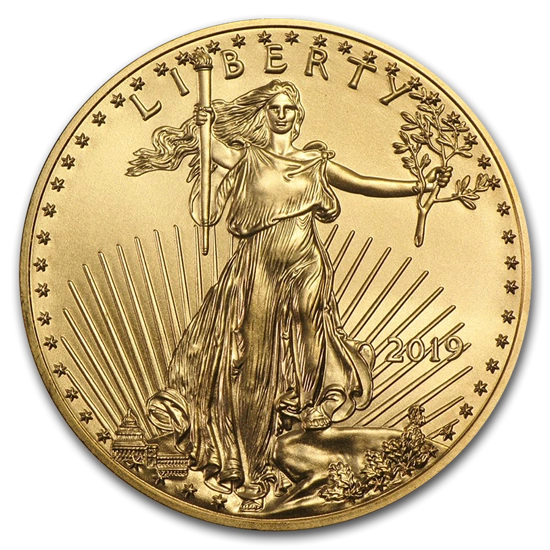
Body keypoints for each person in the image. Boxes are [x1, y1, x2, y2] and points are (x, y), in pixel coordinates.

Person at [128, 80, 451, 511]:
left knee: (309, 322)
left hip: (305, 261)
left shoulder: (314, 163)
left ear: (298, 115)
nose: (281, 114)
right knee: (254, 359)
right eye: (275, 108)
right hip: (258, 267)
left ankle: (314, 403)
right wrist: (204, 128)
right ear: (265, 114)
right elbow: (215, 153)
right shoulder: (248, 157)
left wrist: (417, 187)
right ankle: (250, 463)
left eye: (288, 108)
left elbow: (363, 183)